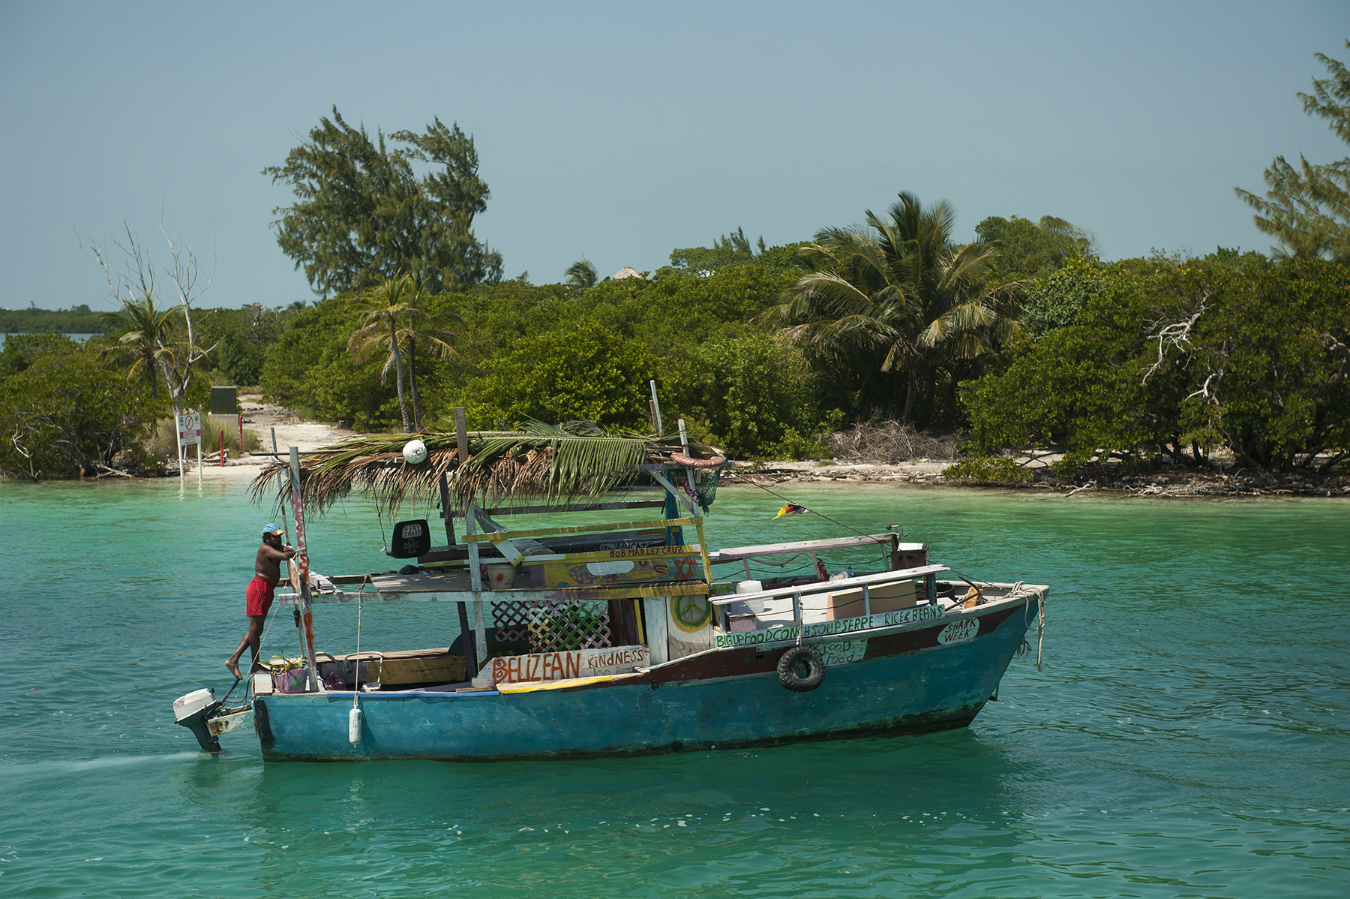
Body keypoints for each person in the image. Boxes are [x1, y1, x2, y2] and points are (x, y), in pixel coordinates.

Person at [226, 524, 296, 680]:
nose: (278, 539)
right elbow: (286, 556)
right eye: (274, 537)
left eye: (279, 536)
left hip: (265, 589)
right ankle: (253, 666)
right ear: (266, 538)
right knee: (255, 630)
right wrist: (296, 551)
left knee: (256, 630)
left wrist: (286, 548)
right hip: (259, 589)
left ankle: (234, 660)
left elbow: (284, 551)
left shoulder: (274, 547)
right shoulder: (265, 548)